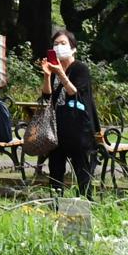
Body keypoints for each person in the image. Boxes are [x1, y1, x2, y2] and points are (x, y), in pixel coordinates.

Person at [39, 29, 98, 198]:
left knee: (81, 168)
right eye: (56, 44)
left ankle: (85, 203)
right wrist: (47, 75)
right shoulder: (54, 69)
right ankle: (55, 204)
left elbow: (75, 93)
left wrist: (60, 73)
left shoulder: (80, 69)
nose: (59, 47)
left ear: (73, 48)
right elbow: (46, 97)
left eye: (63, 44)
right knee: (55, 168)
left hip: (78, 127)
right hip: (57, 127)